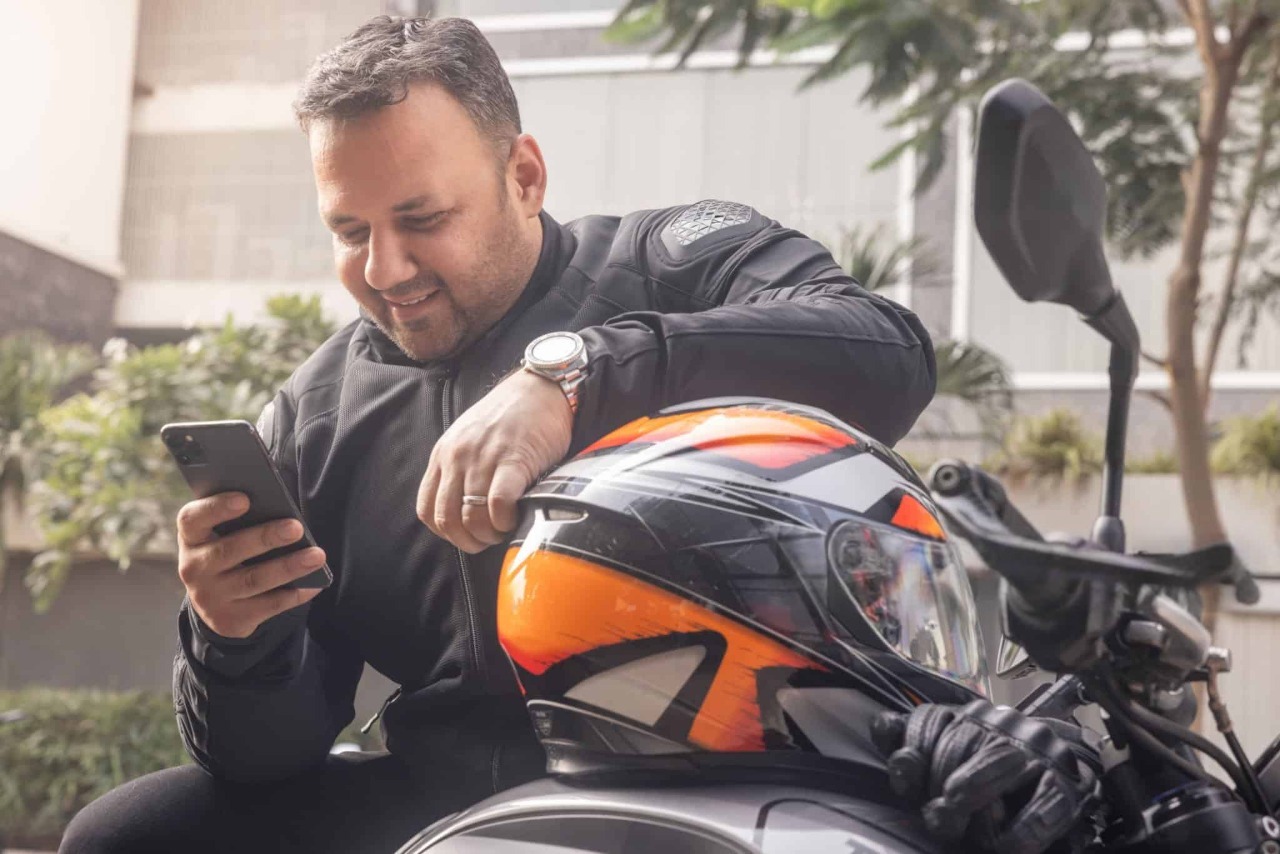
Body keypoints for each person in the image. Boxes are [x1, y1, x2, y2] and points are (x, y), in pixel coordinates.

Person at [60, 14, 936, 854]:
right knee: (128, 836)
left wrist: (576, 377)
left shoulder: (673, 262)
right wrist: (234, 639)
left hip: (716, 781)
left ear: (523, 176)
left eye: (422, 219)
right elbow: (266, 761)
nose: (384, 269)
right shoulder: (313, 418)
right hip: (448, 800)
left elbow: (888, 352)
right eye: (350, 231)